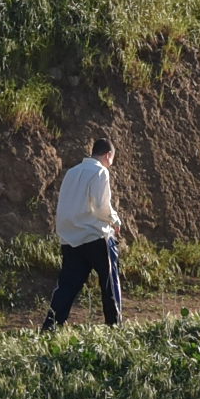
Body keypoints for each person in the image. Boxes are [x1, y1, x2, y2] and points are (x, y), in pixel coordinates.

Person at [44, 135, 124, 329]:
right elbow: (100, 206)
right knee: (109, 283)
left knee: (67, 287)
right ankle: (114, 326)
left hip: (71, 238)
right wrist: (114, 220)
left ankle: (51, 327)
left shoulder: (72, 172)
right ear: (108, 155)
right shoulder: (100, 172)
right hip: (95, 236)